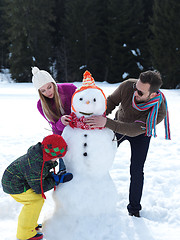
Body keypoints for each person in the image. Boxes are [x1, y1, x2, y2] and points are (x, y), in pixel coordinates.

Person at [85, 70, 171, 217]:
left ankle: (134, 209)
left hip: (140, 134)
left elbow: (133, 130)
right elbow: (111, 101)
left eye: (140, 92)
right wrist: (101, 116)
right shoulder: (127, 86)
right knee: (99, 160)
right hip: (118, 123)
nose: (135, 93)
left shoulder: (159, 110)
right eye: (136, 87)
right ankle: (92, 199)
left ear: (153, 95)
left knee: (136, 170)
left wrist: (106, 122)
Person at [1, 134, 73, 240]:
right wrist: (55, 180)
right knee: (34, 202)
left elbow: (40, 175)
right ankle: (25, 234)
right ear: (51, 154)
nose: (59, 159)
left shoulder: (41, 156)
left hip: (21, 181)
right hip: (14, 186)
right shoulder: (36, 165)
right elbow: (39, 188)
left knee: (37, 201)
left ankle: (30, 224)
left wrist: (52, 177)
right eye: (58, 156)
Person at [32, 66, 77, 172]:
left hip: (80, 131)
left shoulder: (69, 89)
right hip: (64, 137)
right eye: (43, 91)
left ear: (53, 83)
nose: (47, 92)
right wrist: (61, 122)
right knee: (66, 169)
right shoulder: (41, 105)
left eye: (49, 87)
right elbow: (56, 130)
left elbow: (84, 106)